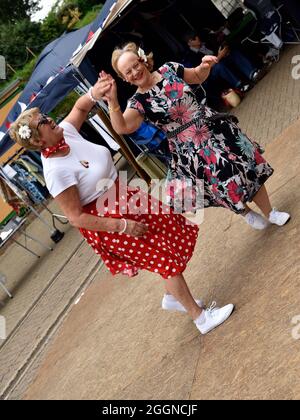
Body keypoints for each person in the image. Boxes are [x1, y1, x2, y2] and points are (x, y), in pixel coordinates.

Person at [9, 77, 234, 336]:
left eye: (46, 116)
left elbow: (81, 108)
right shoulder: (55, 171)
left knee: (171, 233)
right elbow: (75, 217)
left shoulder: (66, 132)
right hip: (110, 219)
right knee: (163, 258)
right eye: (43, 122)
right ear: (38, 141)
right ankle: (200, 317)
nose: (50, 120)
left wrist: (97, 92)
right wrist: (122, 226)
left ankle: (173, 298)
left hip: (124, 195)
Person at [103, 42, 290, 230]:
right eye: (128, 72)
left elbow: (197, 76)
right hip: (190, 148)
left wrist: (204, 66)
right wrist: (112, 100)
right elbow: (122, 127)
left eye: (136, 65)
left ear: (143, 60)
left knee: (245, 166)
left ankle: (270, 212)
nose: (135, 72)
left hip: (214, 127)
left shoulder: (169, 69)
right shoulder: (137, 102)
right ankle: (245, 212)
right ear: (124, 78)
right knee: (223, 181)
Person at [183, 31, 260, 94]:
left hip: (219, 60)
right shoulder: (191, 56)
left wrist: (223, 50)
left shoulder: (205, 44)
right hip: (210, 73)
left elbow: (217, 50)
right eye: (193, 39)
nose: (197, 39)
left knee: (233, 53)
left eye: (196, 36)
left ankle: (252, 73)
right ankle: (240, 86)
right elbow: (206, 67)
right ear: (189, 43)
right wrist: (220, 56)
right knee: (219, 66)